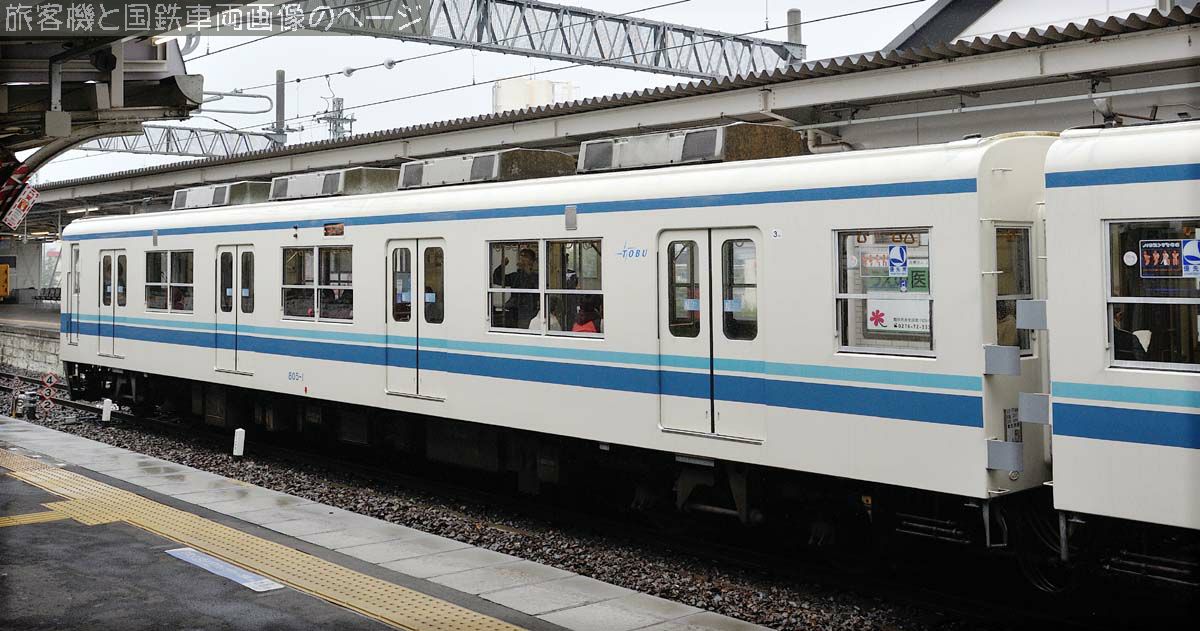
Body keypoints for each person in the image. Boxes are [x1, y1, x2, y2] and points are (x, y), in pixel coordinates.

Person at [492, 247, 539, 328]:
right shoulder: (515, 276)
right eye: (521, 257)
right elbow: (497, 280)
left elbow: (533, 284)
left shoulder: (536, 277)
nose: (521, 259)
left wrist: (526, 268)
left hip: (528, 314)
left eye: (525, 257)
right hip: (513, 312)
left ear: (532, 261)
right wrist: (502, 266)